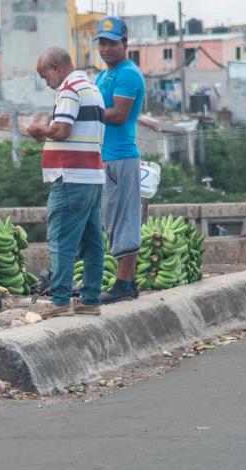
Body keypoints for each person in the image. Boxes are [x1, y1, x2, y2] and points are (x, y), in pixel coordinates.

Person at [26, 47, 106, 318]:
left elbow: (62, 129)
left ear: (56, 68)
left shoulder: (69, 88)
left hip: (71, 177)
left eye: (44, 75)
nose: (45, 82)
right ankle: (90, 298)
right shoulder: (91, 87)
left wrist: (39, 132)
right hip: (92, 177)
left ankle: (60, 300)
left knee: (61, 239)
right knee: (93, 241)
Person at [94, 16, 147, 303]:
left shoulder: (127, 74)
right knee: (111, 217)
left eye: (112, 43)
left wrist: (86, 113)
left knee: (123, 218)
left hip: (120, 157)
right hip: (106, 157)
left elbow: (118, 114)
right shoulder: (103, 75)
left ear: (125, 43)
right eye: (102, 43)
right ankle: (125, 282)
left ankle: (124, 284)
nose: (106, 48)